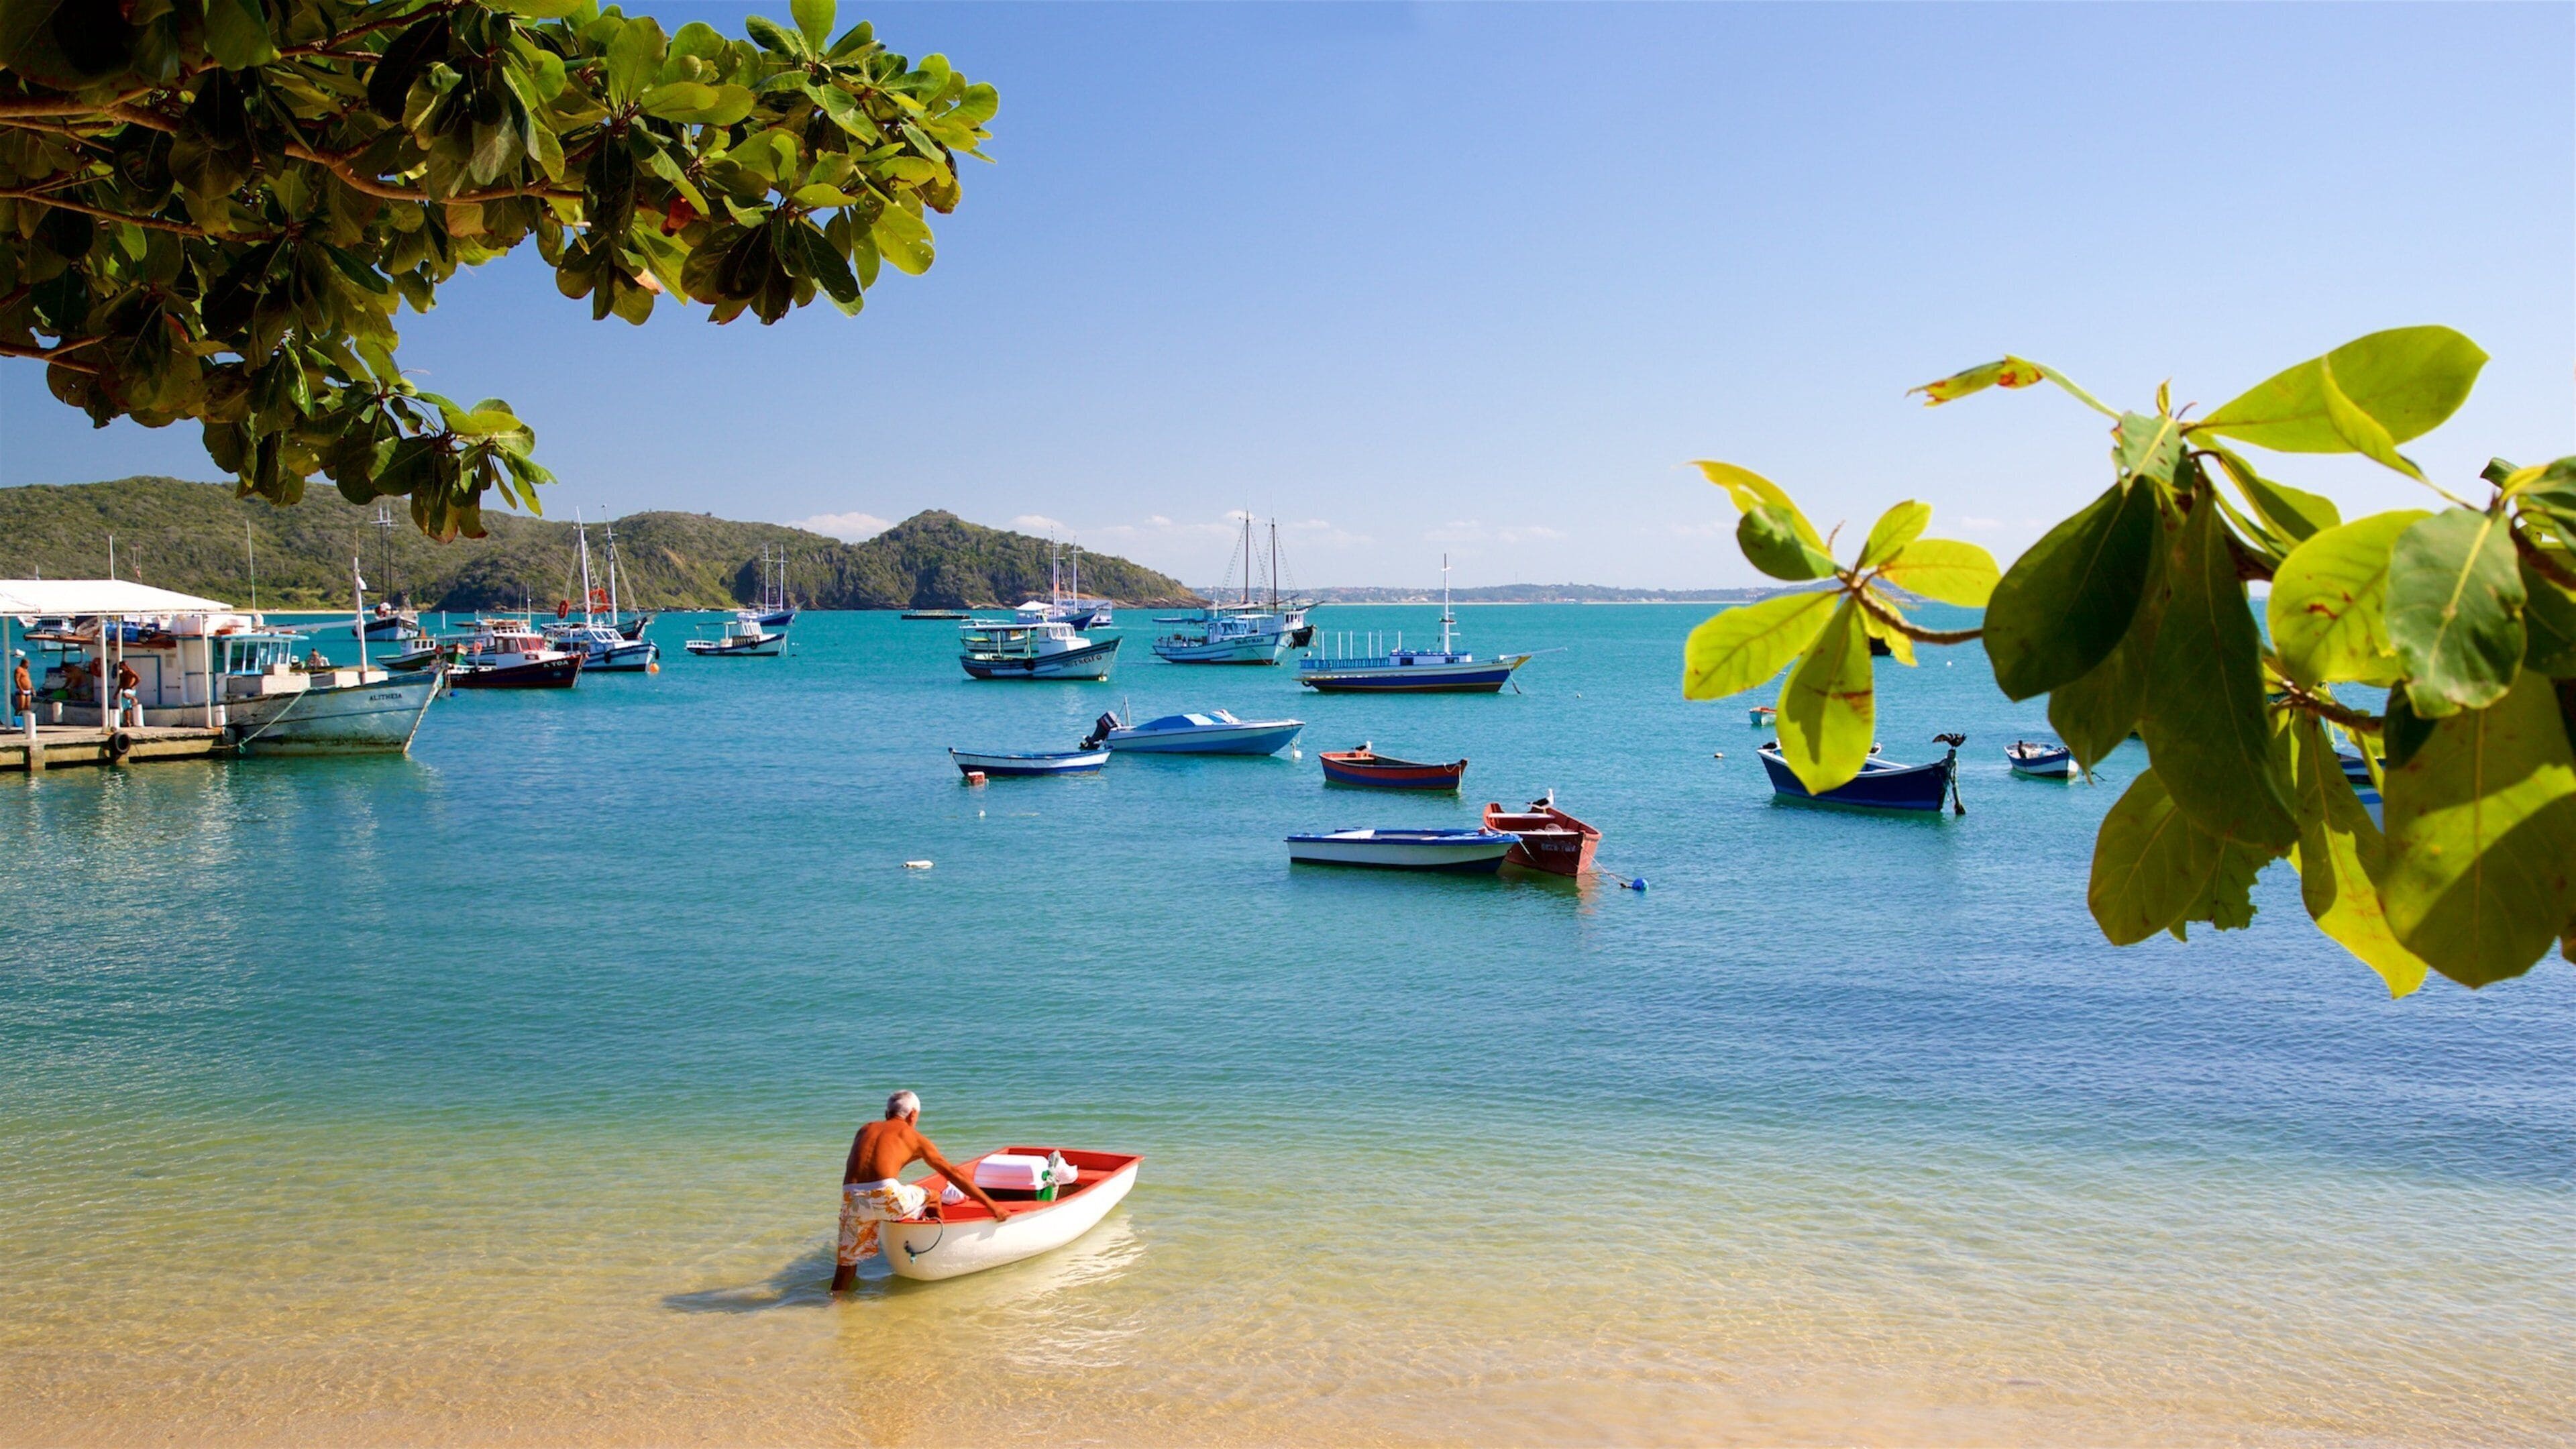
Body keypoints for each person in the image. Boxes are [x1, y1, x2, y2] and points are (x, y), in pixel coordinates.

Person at [831, 1089, 1009, 1291]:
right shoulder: (913, 1137)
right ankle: (938, 1245)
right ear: (913, 1114)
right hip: (888, 1198)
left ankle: (836, 1303)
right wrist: (991, 1205)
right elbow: (952, 1173)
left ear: (887, 1113)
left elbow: (872, 1167)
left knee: (845, 1266)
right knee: (934, 1196)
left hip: (853, 1199)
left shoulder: (865, 1130)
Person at [114, 658, 140, 728]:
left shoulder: (130, 672)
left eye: (121, 666)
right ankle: (128, 722)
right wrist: (116, 694)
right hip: (125, 690)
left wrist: (133, 685)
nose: (120, 668)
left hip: (130, 691)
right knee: (126, 707)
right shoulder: (122, 674)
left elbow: (138, 678)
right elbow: (121, 685)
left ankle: (134, 699)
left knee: (124, 694)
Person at [10, 651, 30, 727]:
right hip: (21, 690)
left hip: (28, 690)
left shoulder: (26, 671)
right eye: (28, 664)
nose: (28, 665)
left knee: (27, 707)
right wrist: (20, 688)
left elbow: (28, 680)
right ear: (24, 663)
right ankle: (16, 721)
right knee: (21, 706)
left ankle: (26, 722)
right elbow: (17, 679)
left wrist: (32, 688)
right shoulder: (19, 669)